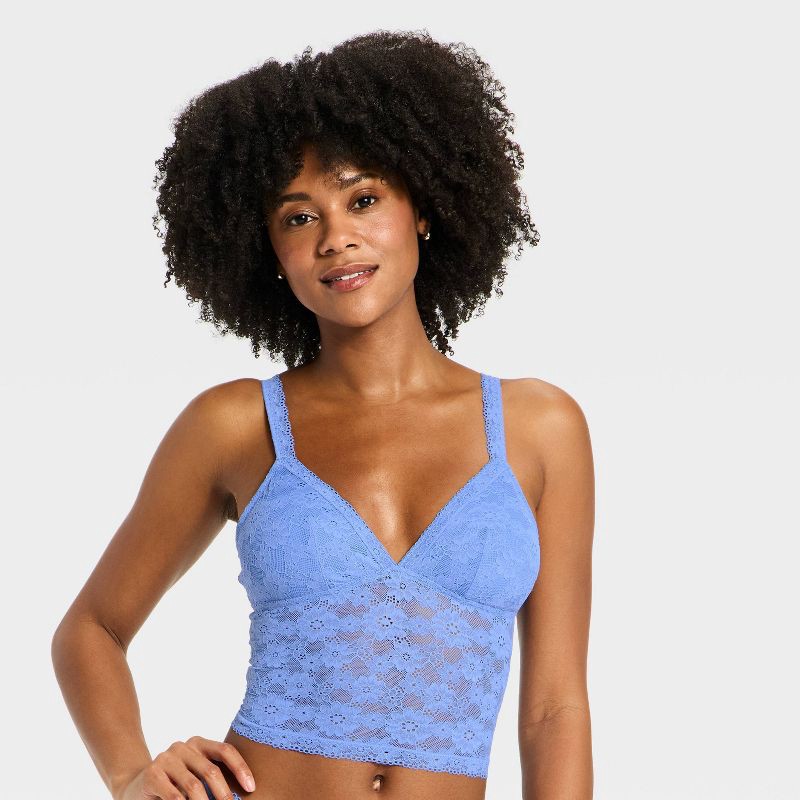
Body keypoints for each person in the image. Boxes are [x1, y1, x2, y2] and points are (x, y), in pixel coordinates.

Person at [51, 29, 594, 800]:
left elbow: (554, 710)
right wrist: (133, 774)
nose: (337, 238)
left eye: (363, 200)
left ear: (423, 209)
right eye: (299, 218)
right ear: (270, 251)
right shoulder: (236, 425)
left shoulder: (540, 428)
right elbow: (91, 629)